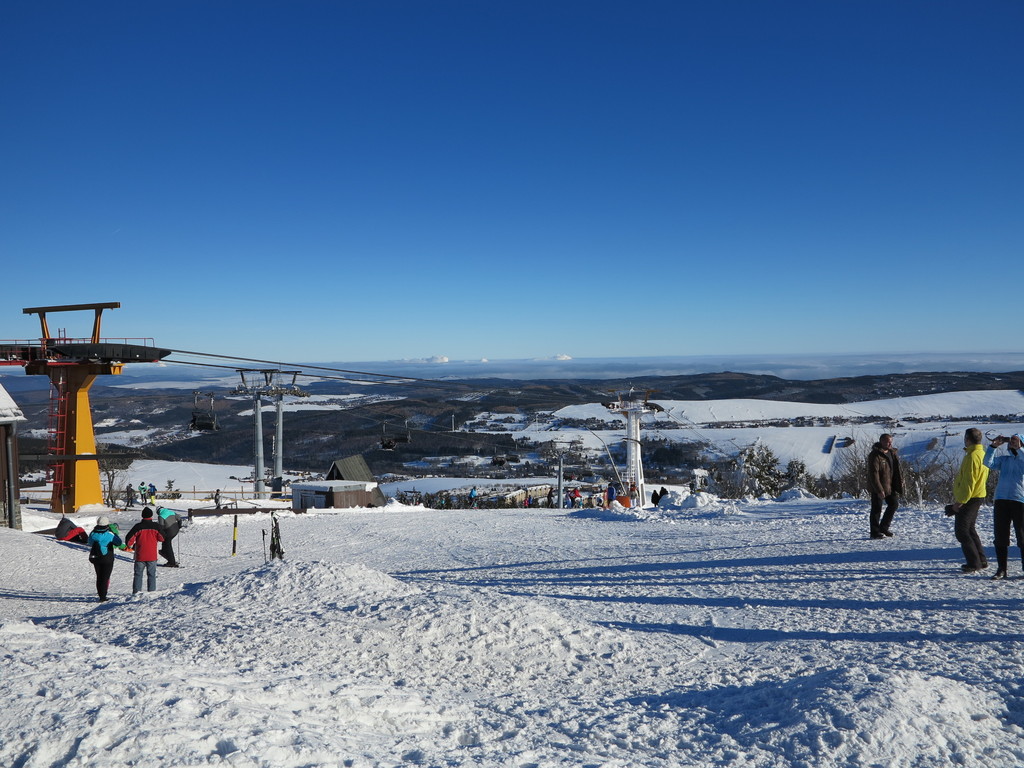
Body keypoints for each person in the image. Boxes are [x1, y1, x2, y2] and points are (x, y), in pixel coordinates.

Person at [945, 428, 990, 573]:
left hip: (970, 497)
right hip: (978, 495)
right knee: (970, 529)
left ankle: (974, 563)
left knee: (962, 531)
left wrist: (960, 502)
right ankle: (981, 559)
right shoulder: (982, 453)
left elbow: (968, 482)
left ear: (968, 439)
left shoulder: (971, 457)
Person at [983, 433, 1024, 580]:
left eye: (1015, 442)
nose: (1012, 444)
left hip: (1020, 500)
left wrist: (1019, 448)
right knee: (1000, 537)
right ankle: (1001, 569)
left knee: (1022, 536)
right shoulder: (1005, 460)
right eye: (1011, 442)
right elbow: (988, 463)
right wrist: (993, 447)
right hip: (1001, 500)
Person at [867, 433, 904, 538]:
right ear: (881, 441)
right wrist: (879, 489)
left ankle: (883, 527)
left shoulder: (892, 453)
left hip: (890, 485)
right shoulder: (875, 455)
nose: (890, 444)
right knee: (876, 509)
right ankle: (874, 532)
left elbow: (896, 469)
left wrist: (900, 481)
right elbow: (873, 473)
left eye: (891, 441)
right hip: (878, 486)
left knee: (893, 504)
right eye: (887, 441)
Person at [126, 508, 165, 593]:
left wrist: (130, 546)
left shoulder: (138, 527)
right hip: (152, 555)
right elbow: (162, 538)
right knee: (151, 575)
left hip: (140, 555)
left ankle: (136, 592)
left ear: (142, 516)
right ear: (151, 515)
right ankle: (151, 592)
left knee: (138, 575)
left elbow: (129, 540)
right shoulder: (156, 526)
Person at [87, 516, 122, 602]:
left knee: (99, 576)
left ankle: (100, 594)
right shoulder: (109, 534)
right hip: (107, 558)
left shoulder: (93, 533)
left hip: (96, 557)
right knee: (105, 577)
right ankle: (103, 596)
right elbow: (119, 542)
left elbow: (89, 542)